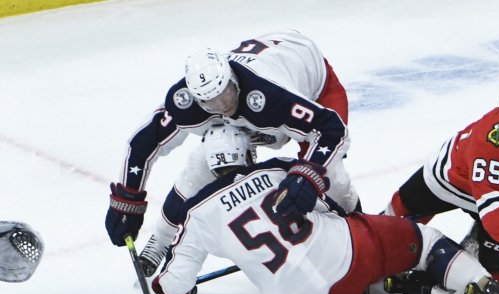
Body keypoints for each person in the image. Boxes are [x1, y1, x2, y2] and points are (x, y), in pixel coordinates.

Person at [150, 124, 499, 294]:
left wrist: (174, 290)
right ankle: (492, 291)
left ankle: (389, 283)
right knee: (424, 241)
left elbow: (173, 287)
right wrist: (356, 216)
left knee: (351, 269)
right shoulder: (279, 168)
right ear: (246, 154)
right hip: (354, 254)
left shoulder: (198, 215)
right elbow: (336, 195)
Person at [104, 29, 361, 275]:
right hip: (260, 105)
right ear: (197, 98)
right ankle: (161, 239)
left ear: (231, 78)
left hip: (313, 84)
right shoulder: (186, 101)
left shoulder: (271, 94)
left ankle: (360, 234)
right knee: (209, 154)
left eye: (225, 93)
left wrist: (308, 176)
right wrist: (128, 201)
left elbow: (331, 130)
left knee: (329, 175)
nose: (223, 106)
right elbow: (142, 144)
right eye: (212, 102)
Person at [382, 77, 499, 291]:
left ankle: (474, 245)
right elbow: (494, 203)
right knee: (387, 232)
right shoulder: (491, 139)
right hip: (449, 181)